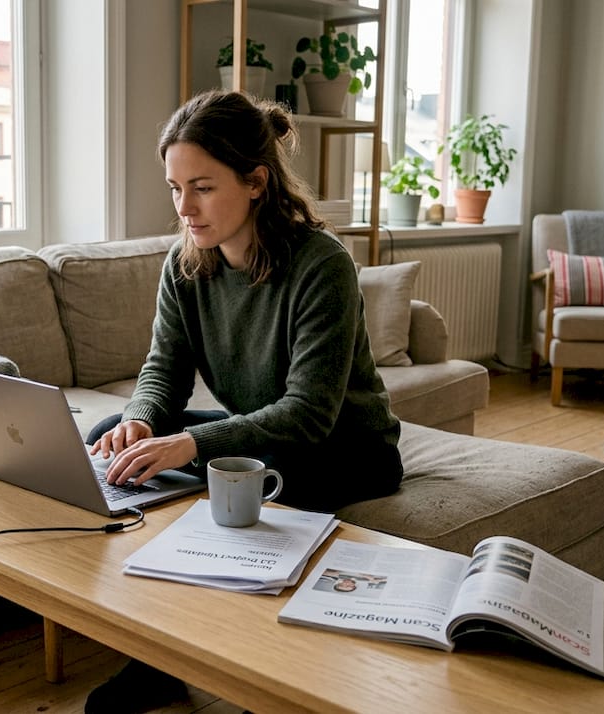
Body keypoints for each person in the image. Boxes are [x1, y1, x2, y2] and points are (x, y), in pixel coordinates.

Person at [82, 89, 404, 714]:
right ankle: (162, 644)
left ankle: (185, 660)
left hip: (346, 448)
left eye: (201, 187)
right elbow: (162, 373)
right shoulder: (185, 265)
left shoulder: (321, 265)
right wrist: (142, 420)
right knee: (108, 430)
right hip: (263, 437)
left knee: (240, 491)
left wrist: (192, 442)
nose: (185, 208)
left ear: (256, 181)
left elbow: (308, 414)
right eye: (175, 189)